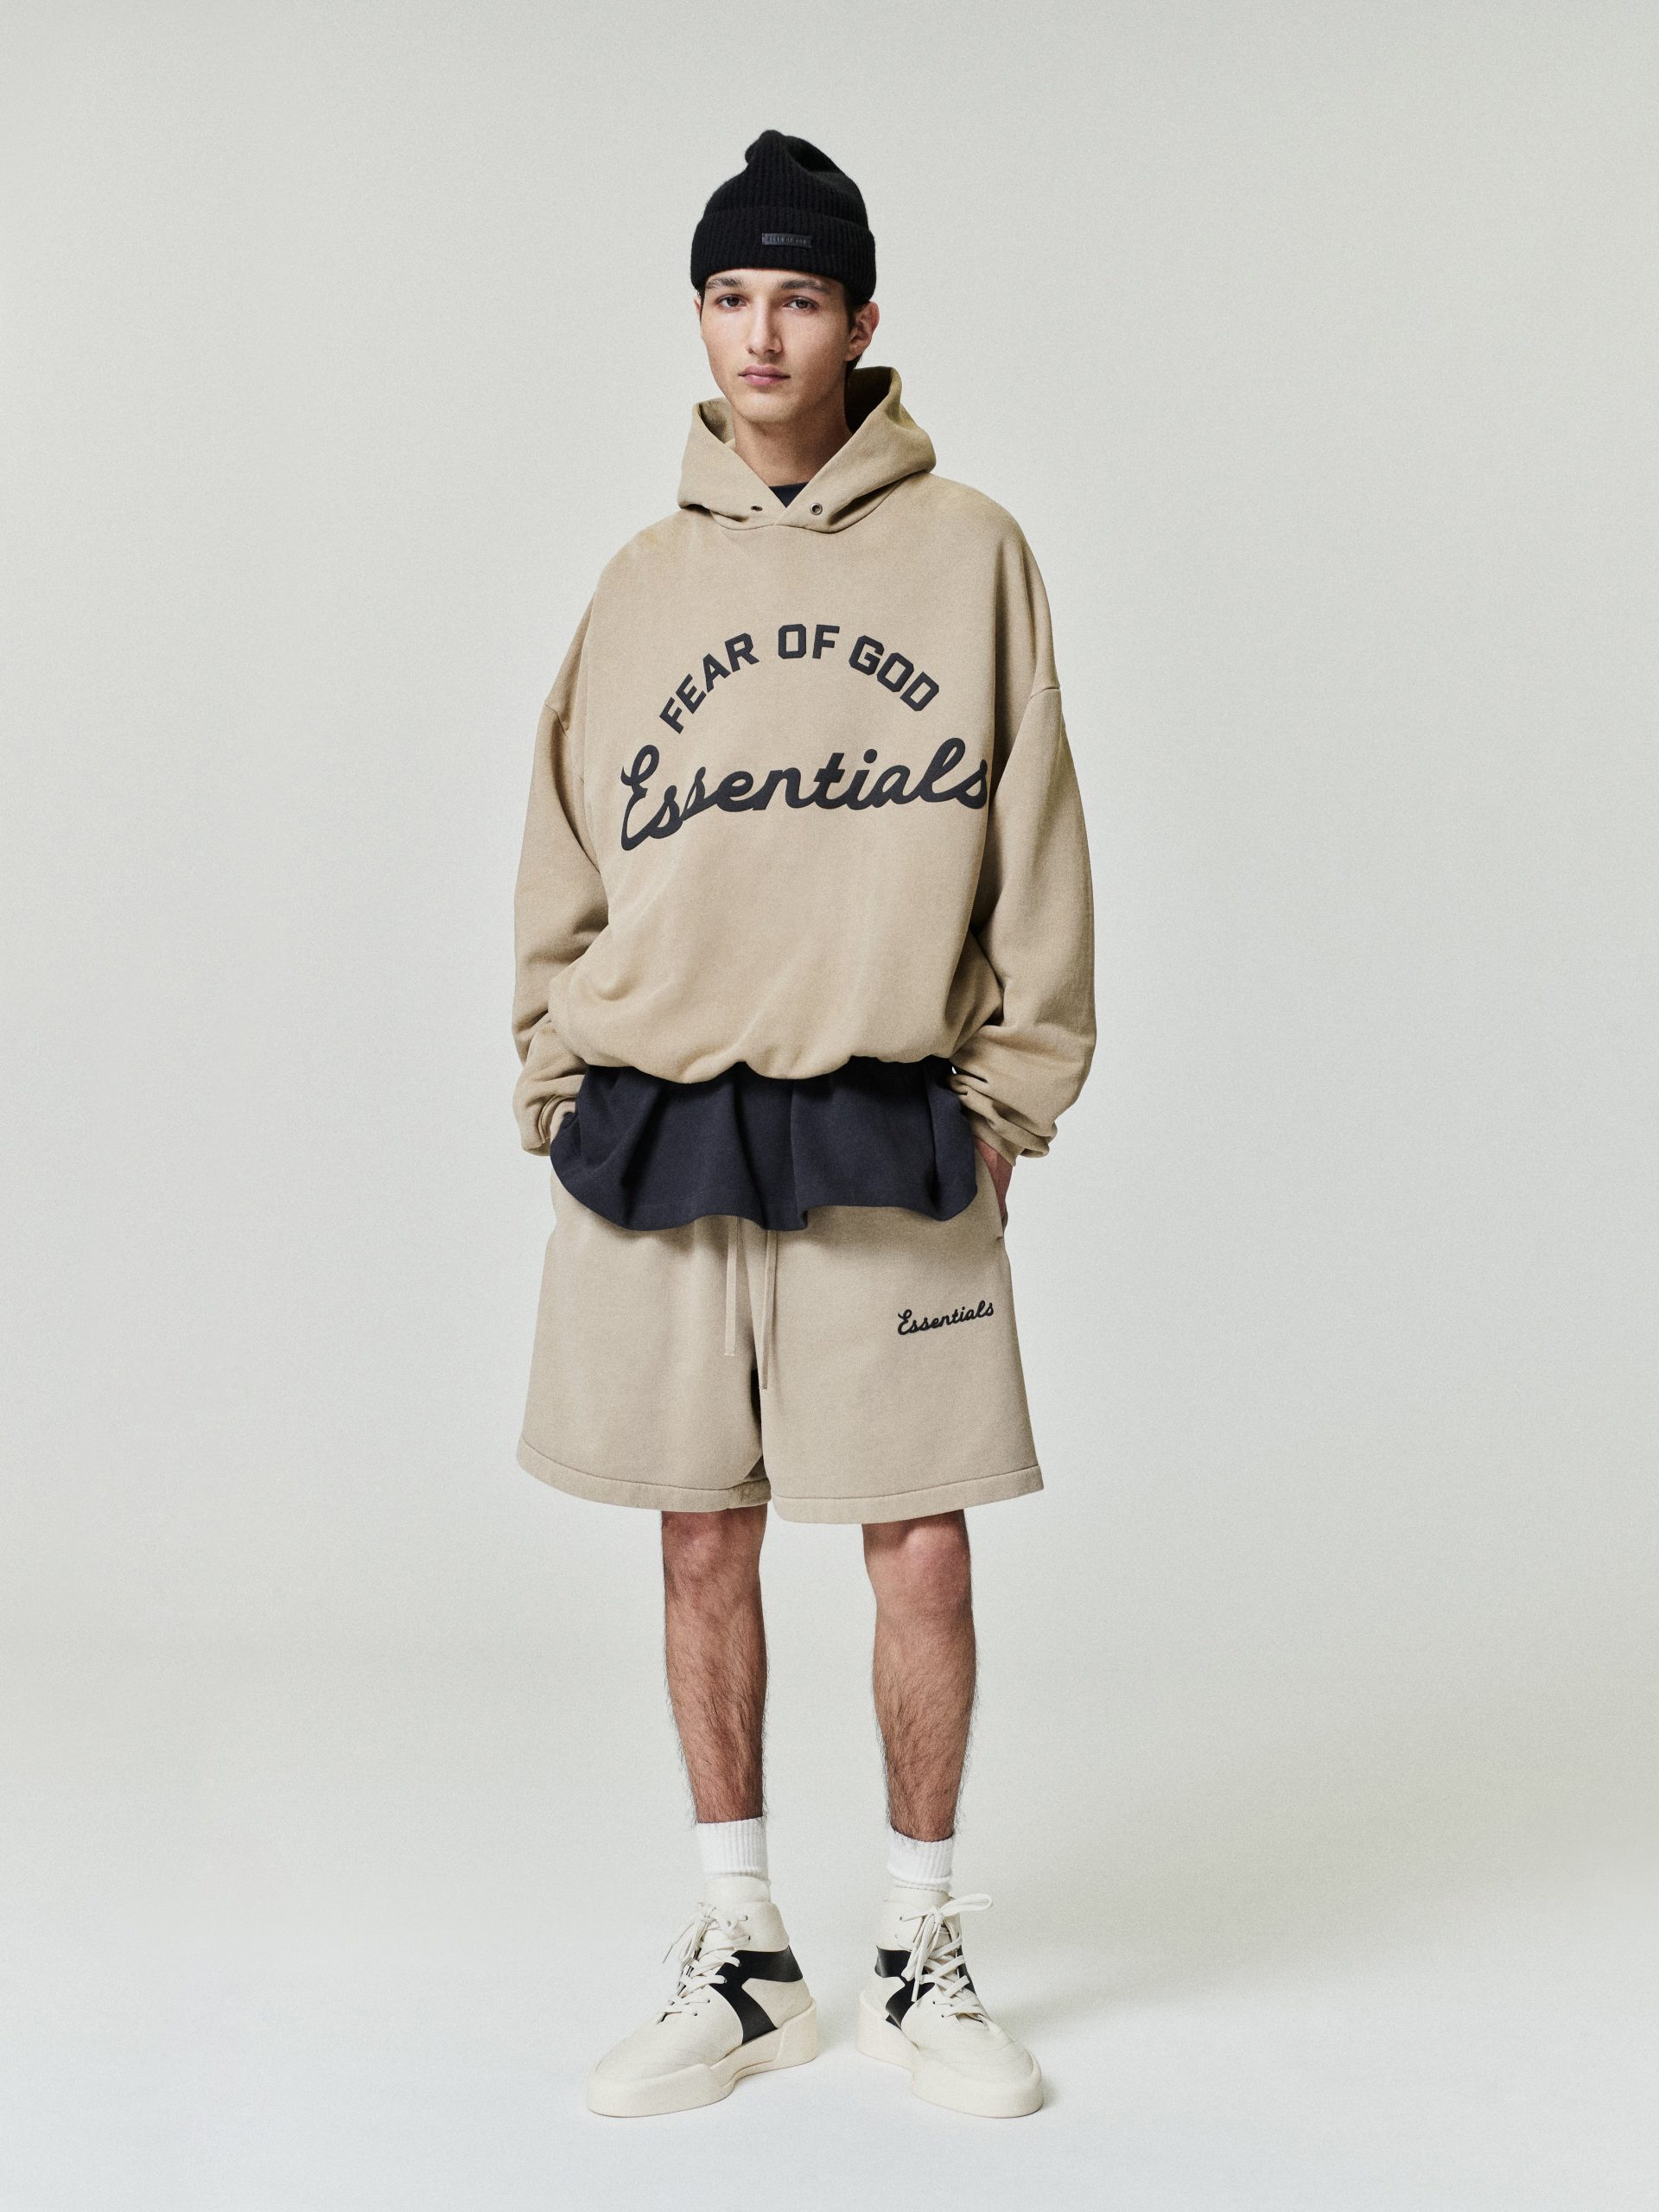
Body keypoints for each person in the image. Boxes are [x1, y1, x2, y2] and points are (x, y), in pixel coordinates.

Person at [510, 130, 1095, 2120]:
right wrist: (553, 1076)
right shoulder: (641, 583)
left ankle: (924, 1947)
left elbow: (1038, 842)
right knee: (700, 1536)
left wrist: (1006, 1100)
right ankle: (744, 1951)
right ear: (703, 317)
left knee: (917, 1544)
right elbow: (560, 850)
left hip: (883, 1124)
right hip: (663, 1133)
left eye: (800, 296)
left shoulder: (973, 554)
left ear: (861, 319)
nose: (762, 333)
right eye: (731, 295)